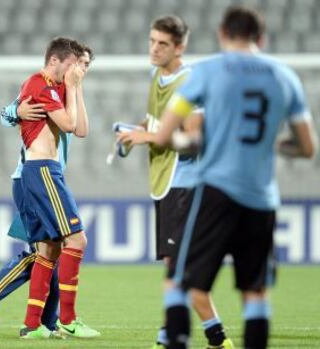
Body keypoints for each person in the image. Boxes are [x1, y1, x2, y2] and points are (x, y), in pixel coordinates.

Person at [119, 6, 317, 349]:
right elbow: (307, 148)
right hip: (262, 195)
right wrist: (274, 143)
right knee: (255, 292)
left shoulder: (206, 72)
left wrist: (173, 138)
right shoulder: (285, 77)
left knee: (178, 277)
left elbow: (172, 136)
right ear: (261, 38)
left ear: (223, 34)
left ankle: (176, 340)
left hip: (214, 190)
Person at [0, 42, 99, 340]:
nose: (82, 71)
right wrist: (16, 109)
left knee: (49, 250)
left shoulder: (63, 88)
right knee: (54, 247)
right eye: (79, 64)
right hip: (33, 175)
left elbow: (80, 129)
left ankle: (38, 323)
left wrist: (76, 88)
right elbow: (6, 115)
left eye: (87, 66)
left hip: (46, 174)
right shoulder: (41, 85)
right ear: (58, 60)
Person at [118, 15, 232, 349]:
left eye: (162, 44)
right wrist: (136, 131)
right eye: (152, 41)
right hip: (166, 182)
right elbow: (158, 122)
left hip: (186, 183)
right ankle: (201, 336)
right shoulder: (157, 76)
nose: (154, 49)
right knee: (175, 264)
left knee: (179, 266)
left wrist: (148, 137)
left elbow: (194, 139)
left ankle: (203, 337)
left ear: (179, 47)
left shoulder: (190, 83)